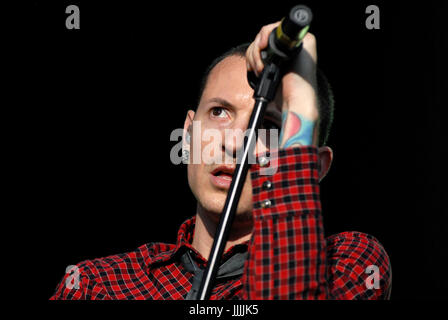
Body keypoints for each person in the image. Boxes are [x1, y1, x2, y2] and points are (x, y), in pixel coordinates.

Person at [50, 21, 392, 300]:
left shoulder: (349, 264)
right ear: (187, 133)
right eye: (219, 112)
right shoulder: (96, 285)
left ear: (313, 167)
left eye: (269, 126)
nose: (233, 142)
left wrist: (300, 99)